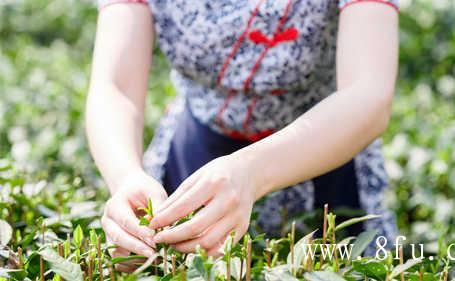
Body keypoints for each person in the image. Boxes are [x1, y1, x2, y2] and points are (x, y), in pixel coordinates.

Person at [86, 0, 399, 271]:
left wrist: (251, 172)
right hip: (195, 161)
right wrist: (127, 177)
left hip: (323, 155)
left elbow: (368, 94)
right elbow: (115, 87)